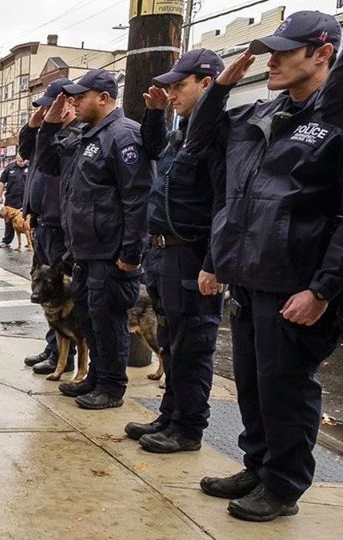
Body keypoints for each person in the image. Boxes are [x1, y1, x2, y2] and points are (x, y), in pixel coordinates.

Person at [186, 11, 343, 522]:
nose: (271, 60)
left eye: (285, 51)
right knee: (253, 383)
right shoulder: (263, 113)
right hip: (251, 274)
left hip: (296, 282)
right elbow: (198, 144)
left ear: (322, 53)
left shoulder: (335, 119)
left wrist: (322, 289)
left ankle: (283, 485)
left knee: (286, 388)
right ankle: (257, 465)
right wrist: (220, 86)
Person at [122, 49, 226, 454]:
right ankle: (169, 416)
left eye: (180, 85)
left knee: (192, 345)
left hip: (191, 253)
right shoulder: (181, 130)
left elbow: (223, 201)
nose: (172, 93)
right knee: (170, 341)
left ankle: (187, 428)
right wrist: (155, 114)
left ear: (208, 84)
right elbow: (152, 153)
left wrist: (214, 262)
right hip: (163, 253)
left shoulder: (217, 133)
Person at [35, 69, 153, 410]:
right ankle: (97, 378)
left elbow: (137, 199)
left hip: (111, 253)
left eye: (80, 96)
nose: (73, 101)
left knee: (109, 320)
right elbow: (48, 164)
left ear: (103, 97)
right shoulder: (88, 134)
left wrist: (131, 253)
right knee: (89, 318)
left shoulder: (124, 136)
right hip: (85, 252)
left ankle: (112, 387)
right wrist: (50, 126)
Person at [18, 78, 77, 376]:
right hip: (43, 224)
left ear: (69, 103)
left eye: (51, 105)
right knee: (45, 290)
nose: (46, 111)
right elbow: (27, 150)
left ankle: (63, 353)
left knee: (59, 293)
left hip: (60, 226)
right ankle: (52, 344)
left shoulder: (74, 136)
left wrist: (51, 128)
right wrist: (34, 124)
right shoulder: (48, 135)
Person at [0, 154, 27, 248]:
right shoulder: (9, 168)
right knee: (8, 222)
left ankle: (32, 241)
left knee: (29, 221)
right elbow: (2, 182)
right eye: (19, 161)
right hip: (11, 200)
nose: (21, 163)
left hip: (25, 200)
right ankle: (6, 240)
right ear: (16, 159)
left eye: (23, 161)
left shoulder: (30, 167)